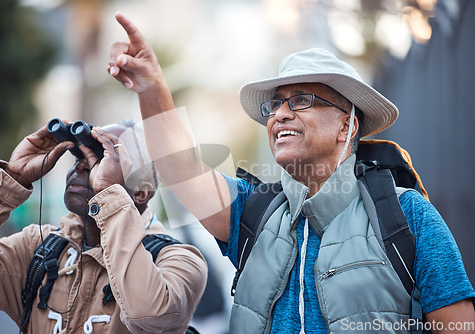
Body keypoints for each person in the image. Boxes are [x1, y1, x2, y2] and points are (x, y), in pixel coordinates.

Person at [108, 12, 475, 334]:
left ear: (346, 126)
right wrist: (151, 87)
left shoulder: (407, 217)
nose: (279, 114)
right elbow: (180, 167)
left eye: (301, 100)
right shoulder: (254, 211)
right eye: (276, 104)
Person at [0, 119, 207, 333]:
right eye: (79, 157)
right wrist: (10, 180)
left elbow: (148, 315)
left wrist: (109, 195)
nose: (82, 167)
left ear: (141, 192)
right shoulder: (39, 247)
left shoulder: (179, 260)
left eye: (102, 159)